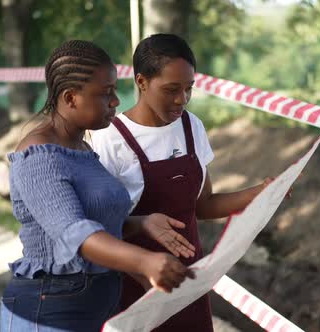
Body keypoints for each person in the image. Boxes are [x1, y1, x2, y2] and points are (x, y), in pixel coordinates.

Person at [0, 40, 196, 332]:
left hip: (93, 308)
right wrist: (144, 262)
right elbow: (75, 233)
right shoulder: (38, 155)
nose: (116, 101)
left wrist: (142, 224)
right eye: (106, 93)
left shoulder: (80, 148)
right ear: (70, 98)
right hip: (49, 311)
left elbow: (95, 218)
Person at [91, 34, 274, 332]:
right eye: (171, 89)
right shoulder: (109, 139)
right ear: (141, 81)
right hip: (133, 290)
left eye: (189, 89)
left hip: (188, 286)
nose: (182, 99)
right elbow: (97, 226)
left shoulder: (192, 127)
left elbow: (204, 206)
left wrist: (262, 193)